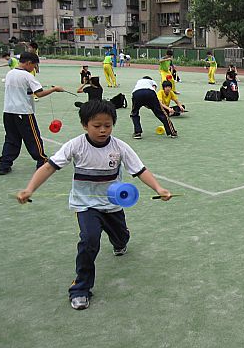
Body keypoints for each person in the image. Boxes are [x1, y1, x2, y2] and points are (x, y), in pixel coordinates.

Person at [16, 100, 172, 310]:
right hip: (85, 205)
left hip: (113, 205)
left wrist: (159, 188)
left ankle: (120, 241)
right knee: (89, 240)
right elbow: (49, 167)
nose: (102, 130)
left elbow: (140, 170)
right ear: (85, 125)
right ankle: (80, 289)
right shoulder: (75, 145)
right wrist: (29, 189)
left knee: (121, 237)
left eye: (107, 125)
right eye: (96, 126)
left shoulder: (119, 147)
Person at [0, 52, 64, 175]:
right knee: (33, 138)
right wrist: (54, 89)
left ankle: (4, 165)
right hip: (23, 112)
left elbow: (24, 90)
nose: (34, 68)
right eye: (34, 65)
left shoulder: (10, 73)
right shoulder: (27, 76)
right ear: (28, 63)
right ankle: (42, 161)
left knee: (11, 139)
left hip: (8, 111)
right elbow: (39, 93)